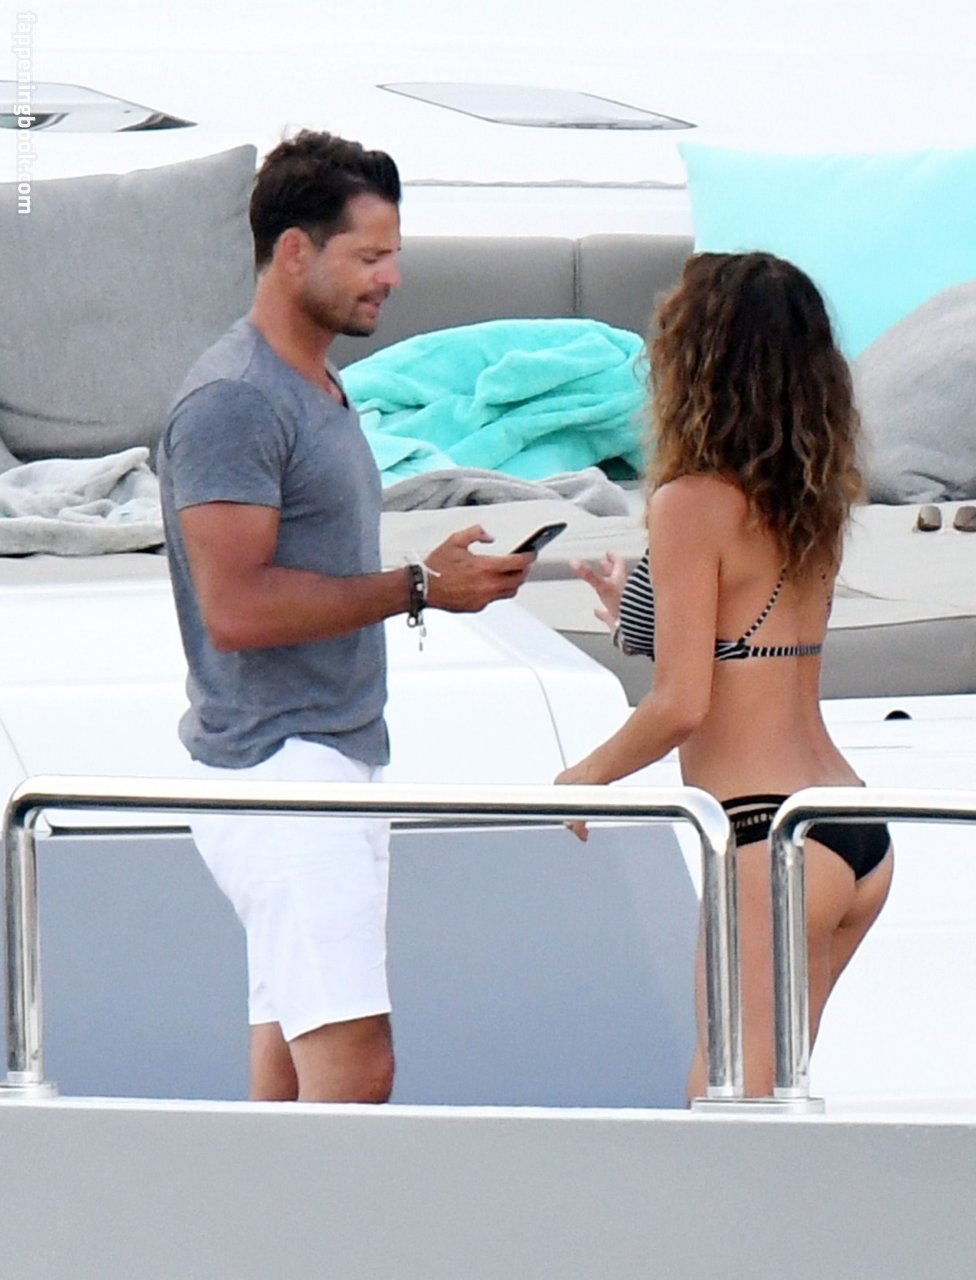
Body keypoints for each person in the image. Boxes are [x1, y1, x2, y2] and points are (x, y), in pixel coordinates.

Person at [157, 131, 533, 1104]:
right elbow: (235, 607)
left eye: (392, 254)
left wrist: (426, 577)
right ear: (294, 252)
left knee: (288, 1073)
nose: (392, 277)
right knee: (356, 1071)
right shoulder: (237, 401)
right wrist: (418, 587)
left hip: (327, 759)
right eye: (369, 256)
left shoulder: (317, 386)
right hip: (280, 771)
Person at [556, 251, 893, 1099]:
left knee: (726, 1105)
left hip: (765, 837)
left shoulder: (689, 503)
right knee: (776, 1102)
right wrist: (635, 612)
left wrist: (585, 777)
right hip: (850, 826)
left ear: (696, 363)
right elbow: (752, 643)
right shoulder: (812, 499)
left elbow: (683, 703)